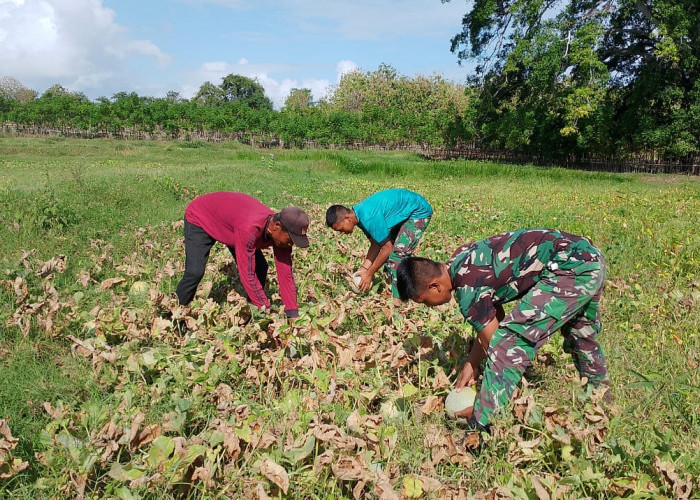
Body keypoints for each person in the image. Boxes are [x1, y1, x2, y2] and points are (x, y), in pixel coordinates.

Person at [396, 228, 609, 443]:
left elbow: (501, 348)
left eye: (424, 300)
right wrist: (472, 362)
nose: (428, 306)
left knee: (508, 343)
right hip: (588, 257)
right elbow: (492, 317)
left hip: (569, 270)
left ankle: (481, 430)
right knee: (580, 335)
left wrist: (481, 406)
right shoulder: (460, 258)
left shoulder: (467, 290)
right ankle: (600, 401)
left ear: (435, 286)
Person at [175, 192, 310, 319]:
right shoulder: (250, 229)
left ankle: (250, 312)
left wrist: (293, 314)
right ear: (277, 226)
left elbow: (285, 274)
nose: (291, 244)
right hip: (201, 216)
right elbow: (247, 274)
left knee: (260, 267)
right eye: (291, 239)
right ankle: (175, 314)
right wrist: (266, 310)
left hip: (230, 225)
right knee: (194, 272)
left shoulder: (281, 236)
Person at [325, 188, 432, 306]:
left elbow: (387, 249)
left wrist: (369, 274)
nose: (342, 233)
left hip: (418, 211)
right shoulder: (358, 216)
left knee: (397, 256)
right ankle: (400, 285)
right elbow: (375, 244)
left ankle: (399, 301)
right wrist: (364, 270)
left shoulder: (368, 218)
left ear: (347, 219)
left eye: (340, 229)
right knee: (391, 258)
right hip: (406, 211)